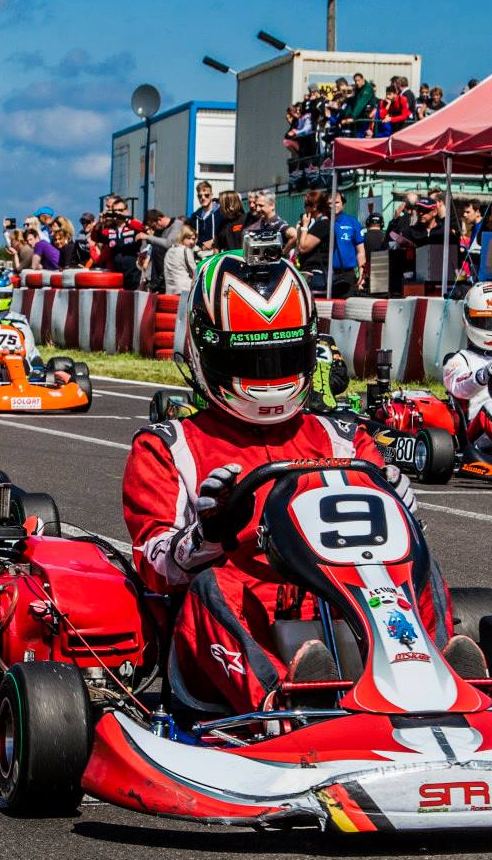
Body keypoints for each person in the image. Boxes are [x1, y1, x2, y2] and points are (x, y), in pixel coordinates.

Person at [121, 249, 455, 715]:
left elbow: (387, 545)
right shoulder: (170, 446)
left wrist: (403, 508)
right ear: (208, 350)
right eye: (255, 362)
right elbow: (155, 567)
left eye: (283, 357)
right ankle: (282, 702)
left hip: (346, 607)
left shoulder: (342, 438)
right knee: (212, 586)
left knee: (421, 566)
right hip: (233, 631)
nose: (270, 378)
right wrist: (209, 533)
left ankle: (438, 676)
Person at [441, 282, 492, 449]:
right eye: (486, 321)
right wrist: (483, 374)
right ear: (468, 319)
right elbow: (459, 387)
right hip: (478, 434)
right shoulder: (459, 359)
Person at [163, 221, 201, 304]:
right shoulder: (185, 250)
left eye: (193, 239)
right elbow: (195, 271)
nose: (191, 242)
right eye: (188, 238)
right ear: (182, 237)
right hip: (184, 289)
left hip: (170, 290)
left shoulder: (170, 250)